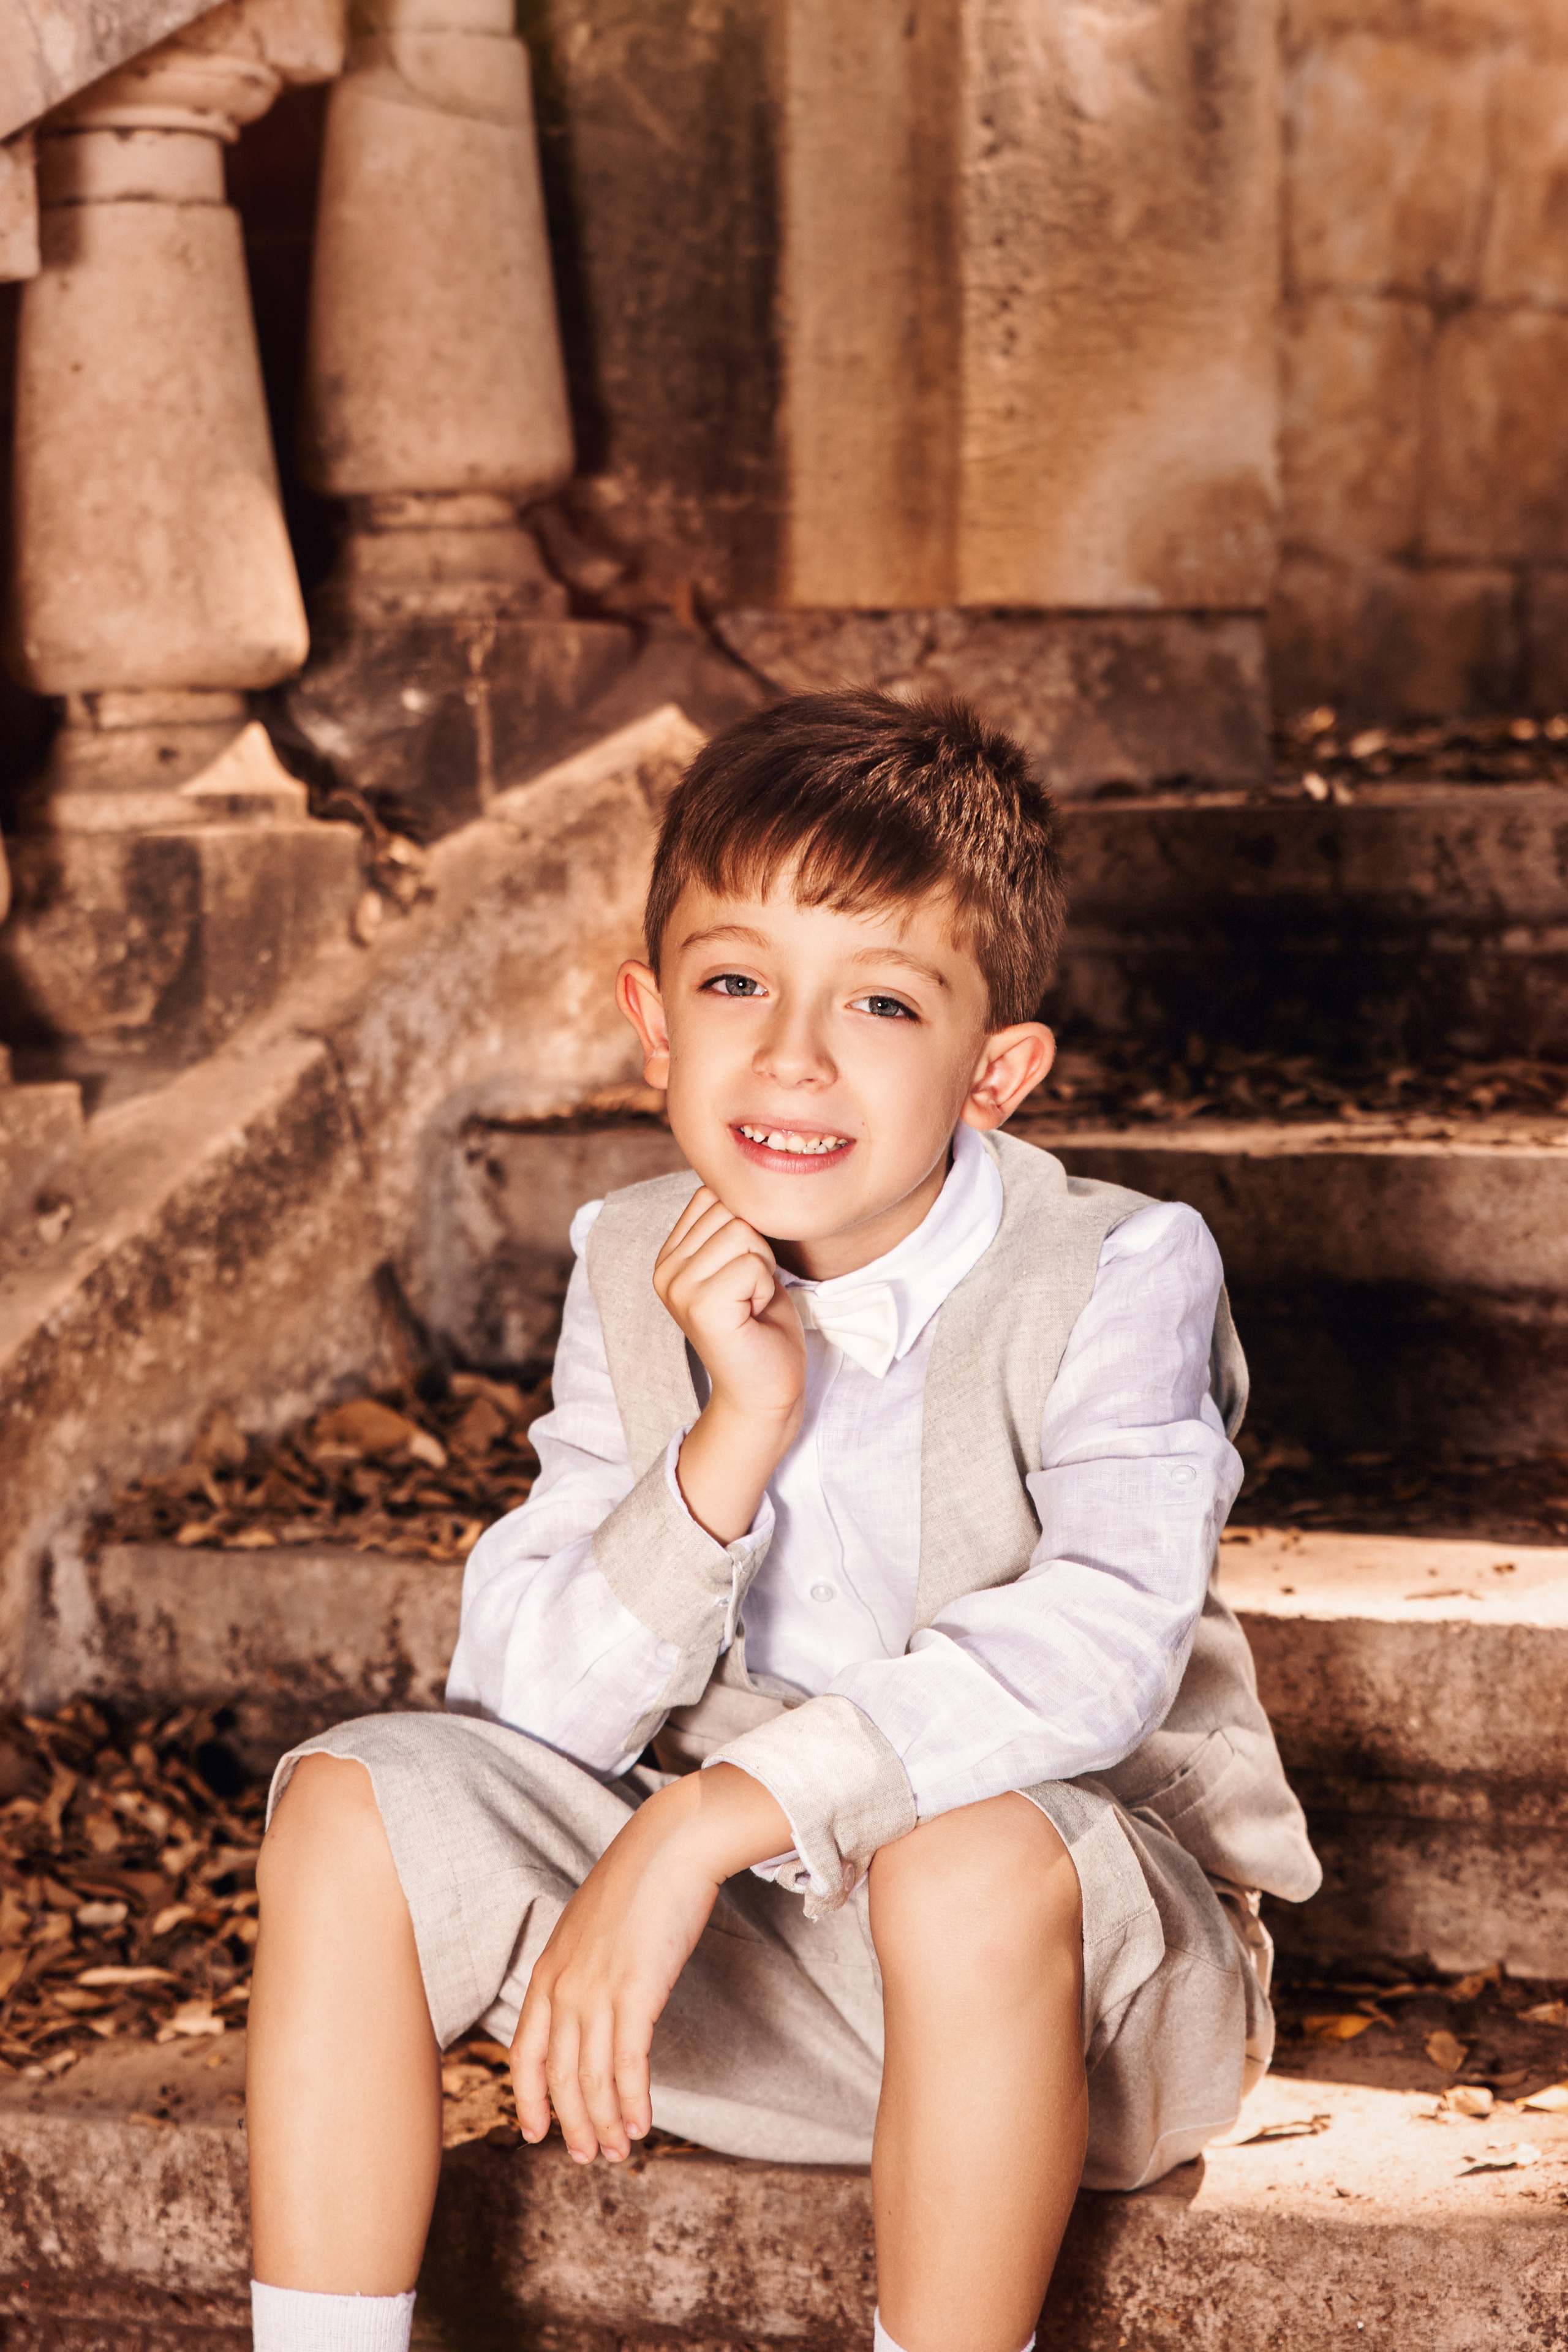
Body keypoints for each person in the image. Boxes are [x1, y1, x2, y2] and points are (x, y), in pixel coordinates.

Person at [247, 690, 1320, 2352]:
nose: (793, 1056)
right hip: (765, 1989)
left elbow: (1095, 1650)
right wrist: (733, 1433)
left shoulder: (1118, 1266)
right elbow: (526, 1706)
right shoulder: (634, 1257)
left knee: (962, 1860)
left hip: (1082, 2003)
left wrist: (698, 1825)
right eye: (736, 982)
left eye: (880, 1001)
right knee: (346, 1804)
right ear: (653, 1025)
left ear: (996, 1073)